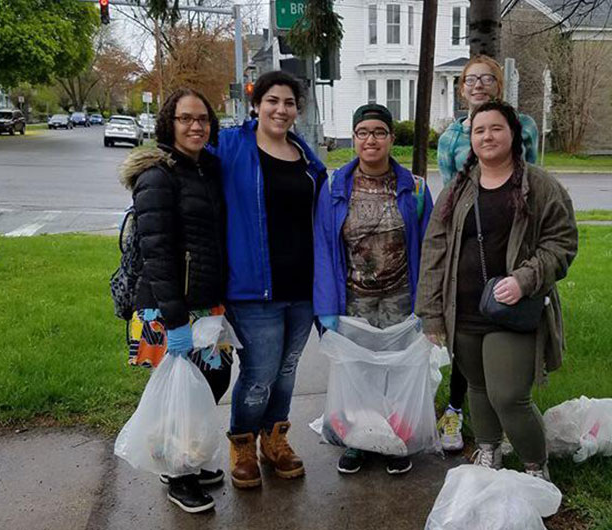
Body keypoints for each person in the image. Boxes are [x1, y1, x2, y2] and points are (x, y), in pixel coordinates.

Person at [416, 100, 577, 480]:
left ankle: (536, 465)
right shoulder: (458, 189)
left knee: (508, 396)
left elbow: (563, 241)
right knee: (478, 387)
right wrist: (431, 312)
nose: (487, 136)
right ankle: (489, 452)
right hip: (465, 310)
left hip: (514, 312)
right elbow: (434, 249)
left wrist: (525, 279)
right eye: (478, 130)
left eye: (495, 128)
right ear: (470, 140)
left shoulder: (539, 185)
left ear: (513, 133)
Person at [212, 71, 328, 490]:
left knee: (286, 370)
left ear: (298, 110)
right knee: (259, 372)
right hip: (251, 288)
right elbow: (185, 168)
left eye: (289, 103)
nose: (281, 109)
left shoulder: (306, 157)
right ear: (256, 104)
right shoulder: (229, 146)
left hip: (301, 288)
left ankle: (274, 441)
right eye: (272, 101)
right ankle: (242, 443)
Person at [120, 88, 230, 513]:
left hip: (208, 301)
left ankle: (183, 457)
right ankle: (178, 473)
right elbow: (157, 251)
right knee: (182, 388)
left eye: (202, 118)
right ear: (169, 123)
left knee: (213, 381)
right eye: (185, 118)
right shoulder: (157, 175)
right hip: (172, 305)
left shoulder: (208, 169)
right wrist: (176, 318)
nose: (195, 126)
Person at [313, 104, 433, 475]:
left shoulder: (415, 188)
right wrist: (327, 306)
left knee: (398, 374)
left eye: (379, 132)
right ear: (353, 138)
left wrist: (428, 304)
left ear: (391, 139)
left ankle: (396, 441)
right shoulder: (334, 187)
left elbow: (431, 248)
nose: (371, 139)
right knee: (358, 374)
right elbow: (322, 246)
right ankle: (358, 441)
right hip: (354, 300)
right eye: (363, 132)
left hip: (401, 297)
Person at [434, 54, 540, 453]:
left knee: (508, 343)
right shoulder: (451, 138)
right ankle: (455, 412)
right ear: (461, 88)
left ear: (499, 85)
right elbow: (451, 200)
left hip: (510, 248)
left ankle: (511, 421)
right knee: (469, 346)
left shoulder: (523, 126)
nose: (478, 85)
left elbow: (531, 182)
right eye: (470, 80)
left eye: (487, 79)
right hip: (469, 251)